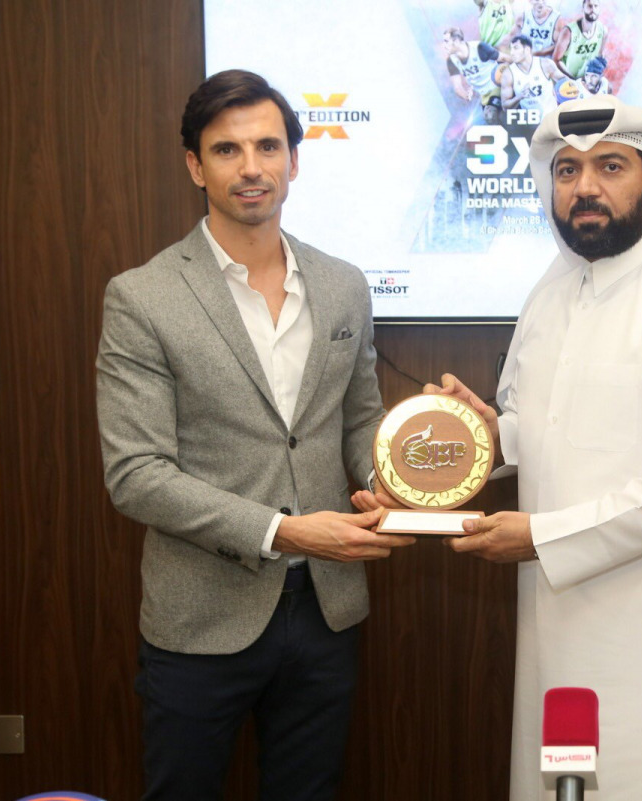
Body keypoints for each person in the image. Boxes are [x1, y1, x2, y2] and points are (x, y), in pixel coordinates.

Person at [357, 95, 642, 798]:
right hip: (561, 626)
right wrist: (487, 437)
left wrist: (542, 536)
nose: (585, 186)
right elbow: (552, 432)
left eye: (610, 167)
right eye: (567, 171)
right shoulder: (549, 303)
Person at [96, 70, 415, 801]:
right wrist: (287, 532)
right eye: (227, 150)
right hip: (200, 616)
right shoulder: (142, 297)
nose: (251, 167)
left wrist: (401, 478)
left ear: (293, 161)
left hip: (328, 609)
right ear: (195, 166)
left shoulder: (343, 285)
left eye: (268, 147)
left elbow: (358, 421)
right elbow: (137, 474)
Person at [442, 26, 505, 125]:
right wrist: (466, 95)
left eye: (446, 41)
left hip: (500, 86)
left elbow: (504, 58)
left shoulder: (479, 47)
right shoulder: (451, 61)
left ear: (456, 41)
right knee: (490, 119)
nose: (444, 45)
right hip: (484, 96)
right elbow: (457, 87)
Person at [501, 34, 562, 114]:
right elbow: (505, 106)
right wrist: (519, 97)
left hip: (551, 116)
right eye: (511, 49)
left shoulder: (545, 64)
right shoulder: (508, 73)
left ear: (527, 50)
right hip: (529, 120)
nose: (512, 53)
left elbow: (565, 82)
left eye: (516, 48)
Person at [554, 0, 608, 79]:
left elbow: (600, 56)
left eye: (596, 6)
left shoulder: (603, 31)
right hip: (568, 79)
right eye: (589, 6)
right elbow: (556, 59)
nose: (593, 9)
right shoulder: (568, 31)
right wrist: (573, 79)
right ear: (582, 9)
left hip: (588, 81)